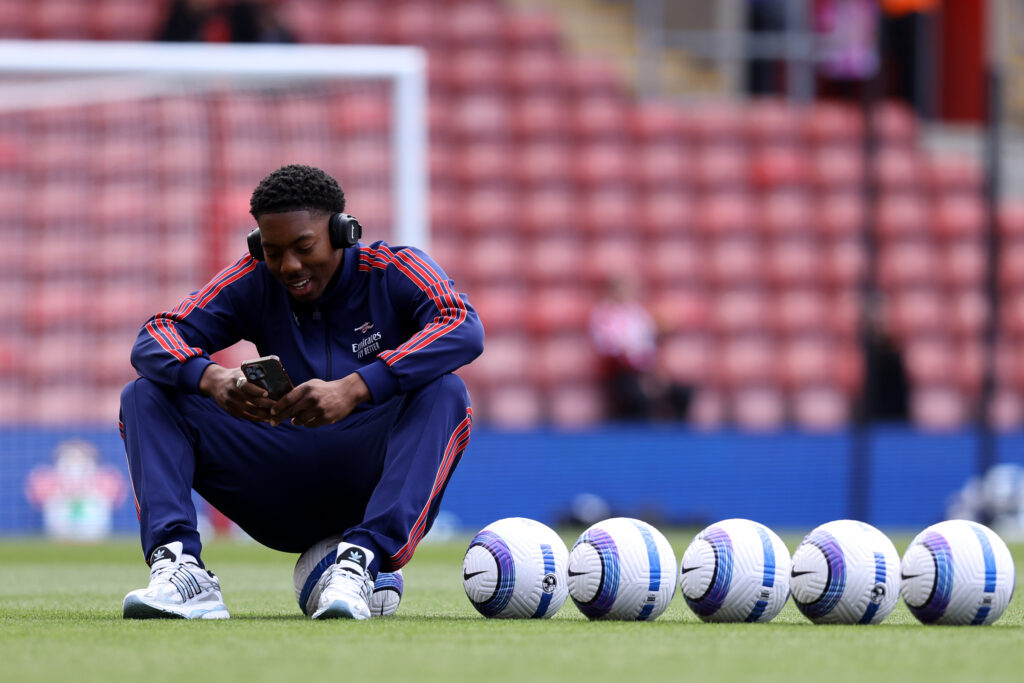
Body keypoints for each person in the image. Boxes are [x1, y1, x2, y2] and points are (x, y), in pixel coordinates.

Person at [119, 164, 484, 620]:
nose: (289, 266)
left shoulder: (394, 269)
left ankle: (360, 561)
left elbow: (462, 326)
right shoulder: (253, 279)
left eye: (303, 247)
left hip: (367, 480)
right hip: (278, 481)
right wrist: (213, 379)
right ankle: (180, 569)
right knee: (146, 395)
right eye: (272, 251)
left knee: (447, 391)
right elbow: (155, 335)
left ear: (342, 232)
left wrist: (356, 387)